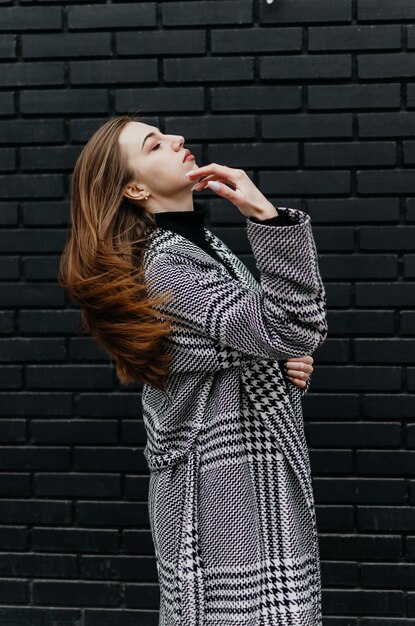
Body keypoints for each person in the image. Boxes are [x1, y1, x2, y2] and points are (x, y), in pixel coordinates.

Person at [58, 115, 328, 626]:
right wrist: (265, 216)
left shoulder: (197, 245)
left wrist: (276, 354)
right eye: (154, 144)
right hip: (220, 490)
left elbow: (256, 333)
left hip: (244, 473)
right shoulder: (167, 264)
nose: (177, 140)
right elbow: (287, 327)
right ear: (135, 188)